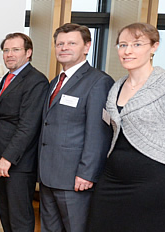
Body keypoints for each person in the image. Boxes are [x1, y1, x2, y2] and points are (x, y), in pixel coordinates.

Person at [87, 22, 165, 232]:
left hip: (155, 183)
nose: (127, 51)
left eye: (137, 44)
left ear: (154, 47)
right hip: (112, 179)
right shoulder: (116, 87)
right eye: (122, 45)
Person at [37, 23, 113, 232]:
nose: (64, 48)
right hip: (48, 175)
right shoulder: (55, 82)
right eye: (60, 43)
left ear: (87, 47)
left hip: (75, 178)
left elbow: (98, 133)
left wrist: (87, 173)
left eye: (71, 43)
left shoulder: (98, 82)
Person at [0, 33, 48, 232]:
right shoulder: (7, 78)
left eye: (15, 50)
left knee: (19, 217)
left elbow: (28, 125)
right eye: (6, 50)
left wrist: (8, 157)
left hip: (18, 161)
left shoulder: (36, 81)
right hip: (2, 156)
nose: (9, 54)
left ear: (28, 52)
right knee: (6, 213)